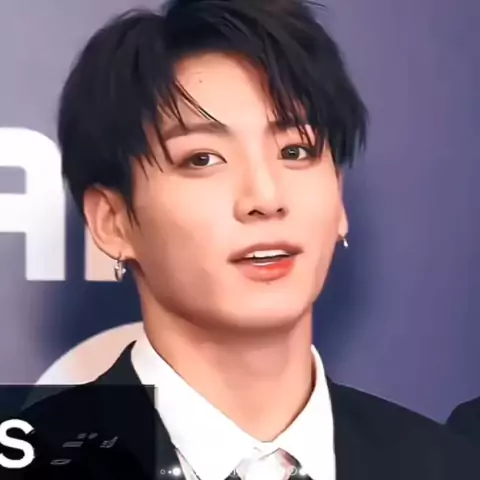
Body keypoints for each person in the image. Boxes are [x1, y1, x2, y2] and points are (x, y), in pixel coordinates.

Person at [14, 0, 480, 478]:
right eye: (202, 159)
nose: (266, 197)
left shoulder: (447, 464)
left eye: (295, 151)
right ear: (112, 221)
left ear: (338, 199)